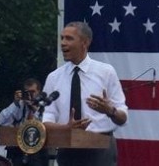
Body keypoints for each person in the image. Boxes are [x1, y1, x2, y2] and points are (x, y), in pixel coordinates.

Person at [42, 21, 128, 166]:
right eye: (62, 38)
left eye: (69, 39)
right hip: (67, 148)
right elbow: (45, 118)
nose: (63, 43)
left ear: (85, 42)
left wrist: (110, 111)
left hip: (100, 149)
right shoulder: (54, 77)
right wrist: (65, 128)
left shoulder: (106, 72)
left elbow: (122, 117)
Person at [0, 78, 48, 166]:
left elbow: (48, 124)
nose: (29, 95)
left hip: (38, 151)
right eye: (27, 92)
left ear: (39, 91)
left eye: (32, 92)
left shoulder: (45, 106)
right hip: (18, 150)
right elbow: (1, 121)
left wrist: (35, 110)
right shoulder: (20, 105)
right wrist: (15, 103)